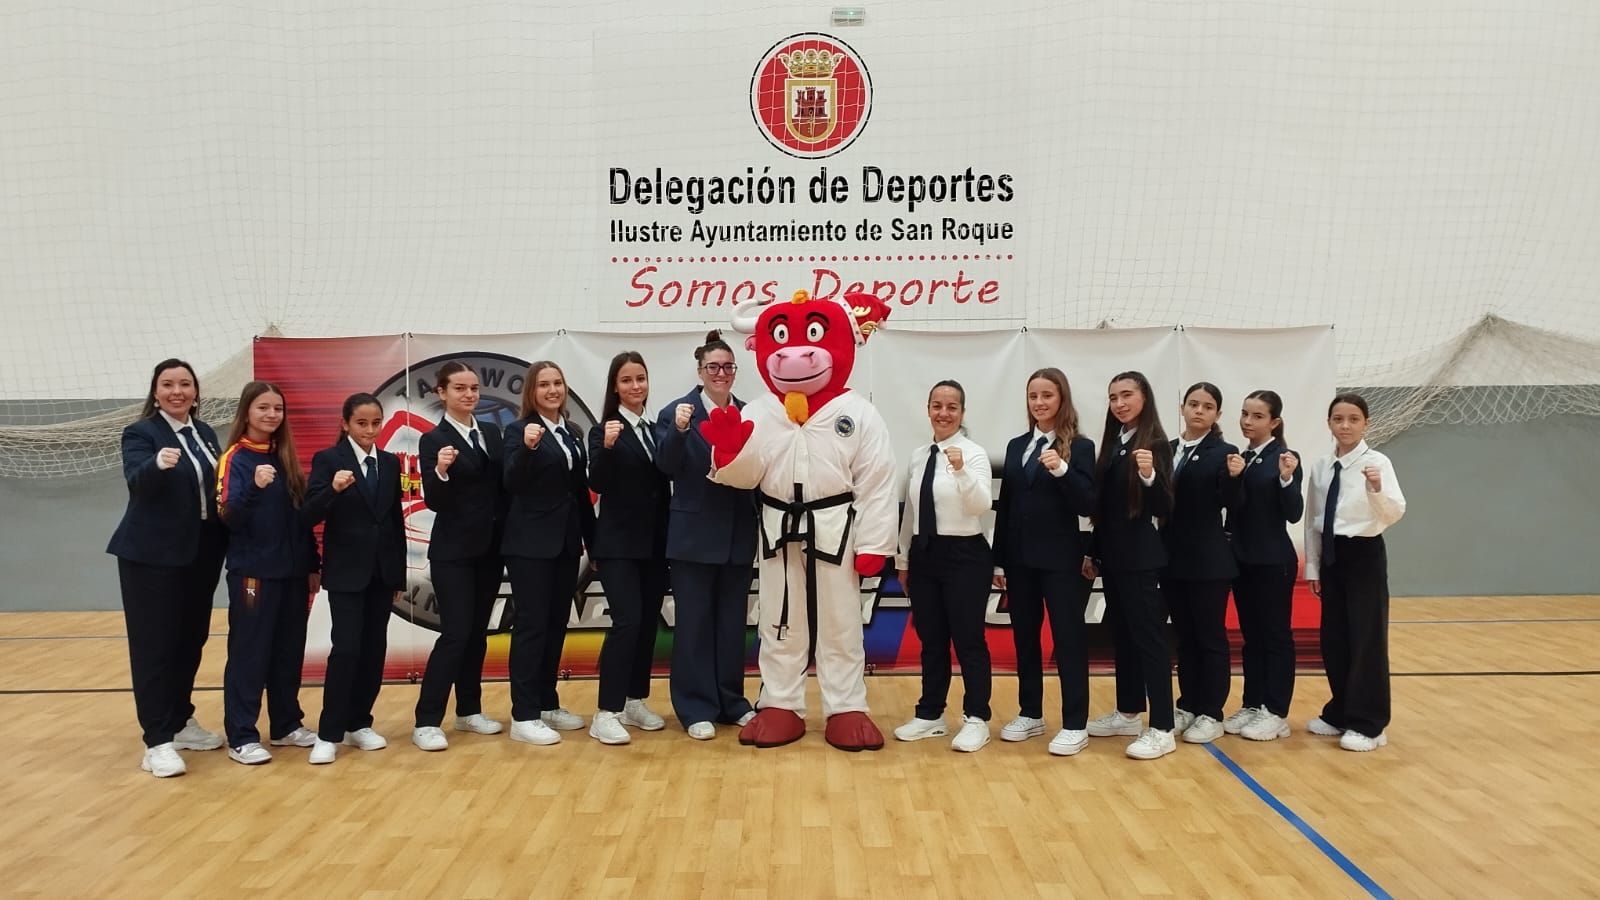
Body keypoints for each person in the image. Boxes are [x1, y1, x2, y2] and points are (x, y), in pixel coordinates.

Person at [107, 358, 230, 778]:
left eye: (185, 384)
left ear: (195, 392)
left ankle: (179, 720)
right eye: (168, 384)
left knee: (189, 640)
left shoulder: (204, 432)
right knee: (155, 647)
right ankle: (156, 741)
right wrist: (156, 464)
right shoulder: (141, 433)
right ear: (156, 393)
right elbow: (136, 481)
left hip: (200, 554)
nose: (177, 391)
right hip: (151, 556)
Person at [656, 331, 758, 740]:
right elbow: (665, 466)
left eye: (728, 366)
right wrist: (679, 431)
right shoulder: (676, 412)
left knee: (732, 625)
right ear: (699, 371)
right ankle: (695, 707)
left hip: (737, 536)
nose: (721, 373)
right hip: (693, 539)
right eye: (713, 367)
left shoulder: (750, 413)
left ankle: (731, 702)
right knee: (694, 625)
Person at [990, 368, 1096, 757]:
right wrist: (999, 562)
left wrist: (1062, 470)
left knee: (1068, 640)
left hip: (1061, 561)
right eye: (1033, 395)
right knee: (1025, 638)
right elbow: (1006, 506)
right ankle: (1030, 712)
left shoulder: (1080, 447)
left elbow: (1087, 503)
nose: (1039, 402)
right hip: (1020, 562)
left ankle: (1075, 723)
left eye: (1047, 395)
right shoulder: (1017, 445)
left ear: (1061, 398)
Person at [216, 381, 320, 765]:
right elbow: (228, 517)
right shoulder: (235, 458)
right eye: (263, 407)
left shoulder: (285, 457)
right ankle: (242, 735)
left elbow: (301, 520)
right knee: (250, 653)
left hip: (292, 575)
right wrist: (254, 488)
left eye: (277, 408)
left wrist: (311, 564)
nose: (271, 414)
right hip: (253, 576)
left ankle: (286, 725)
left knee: (288, 652)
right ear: (247, 411)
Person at [892, 380, 997, 752]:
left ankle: (977, 717)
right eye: (937, 405)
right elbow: (912, 512)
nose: (944, 413)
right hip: (925, 554)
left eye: (952, 407)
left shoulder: (974, 453)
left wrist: (961, 471)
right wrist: (903, 559)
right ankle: (931, 714)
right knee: (931, 639)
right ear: (928, 410)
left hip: (966, 554)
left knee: (969, 640)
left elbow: (981, 505)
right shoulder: (919, 455)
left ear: (962, 412)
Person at [301, 393, 405, 764]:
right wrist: (333, 489)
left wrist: (397, 576)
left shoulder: (389, 462)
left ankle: (359, 722)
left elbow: (394, 521)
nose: (370, 430)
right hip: (347, 573)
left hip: (382, 573)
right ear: (345, 423)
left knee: (374, 649)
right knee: (346, 650)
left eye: (376, 423)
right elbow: (308, 514)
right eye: (362, 423)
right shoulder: (329, 460)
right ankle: (329, 732)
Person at [412, 362, 508, 752]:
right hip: (453, 552)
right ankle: (426, 720)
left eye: (474, 388)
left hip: (491, 549)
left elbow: (502, 488)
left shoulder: (491, 433)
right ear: (442, 392)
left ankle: (469, 710)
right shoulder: (433, 440)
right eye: (459, 388)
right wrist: (440, 470)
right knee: (455, 633)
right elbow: (434, 500)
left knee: (477, 634)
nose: (469, 395)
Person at [500, 361, 595, 746]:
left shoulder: (571, 432)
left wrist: (593, 542)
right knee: (532, 626)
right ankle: (523, 715)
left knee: (556, 624)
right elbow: (511, 481)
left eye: (558, 382)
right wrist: (527, 448)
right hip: (529, 545)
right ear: (532, 391)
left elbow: (579, 492)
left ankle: (546, 702)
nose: (552, 390)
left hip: (565, 544)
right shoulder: (518, 431)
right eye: (544, 384)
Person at [1304, 393, 1406, 752]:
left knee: (1366, 638)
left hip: (1363, 553)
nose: (1345, 426)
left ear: (1366, 424)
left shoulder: (1378, 463)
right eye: (1338, 419)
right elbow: (1313, 519)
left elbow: (1394, 513)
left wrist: (1376, 489)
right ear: (1329, 423)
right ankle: (1341, 711)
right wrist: (1314, 566)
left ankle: (1369, 723)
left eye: (1353, 419)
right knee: (1334, 638)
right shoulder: (1321, 466)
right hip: (1332, 555)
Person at [1083, 371, 1177, 760]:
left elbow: (1165, 507)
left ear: (1144, 398)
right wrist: (1093, 552)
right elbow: (1104, 509)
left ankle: (1163, 727)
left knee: (1149, 641)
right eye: (1113, 397)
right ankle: (1127, 712)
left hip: (1140, 559)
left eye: (1126, 395)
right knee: (1122, 637)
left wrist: (1149, 475)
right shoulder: (1114, 443)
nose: (1119, 404)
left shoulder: (1155, 444)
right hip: (1113, 557)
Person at [586, 351, 671, 745]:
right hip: (618, 545)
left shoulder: (654, 430)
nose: (636, 386)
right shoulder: (603, 430)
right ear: (615, 387)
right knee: (627, 622)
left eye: (641, 378)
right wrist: (606, 446)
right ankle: (606, 711)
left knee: (648, 622)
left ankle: (634, 700)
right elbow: (598, 483)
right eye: (627, 380)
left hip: (655, 545)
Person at [1163, 383, 1242, 744]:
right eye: (1193, 404)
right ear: (1182, 407)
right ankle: (1188, 704)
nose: (1199, 411)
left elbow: (1232, 502)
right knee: (1185, 636)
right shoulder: (1165, 450)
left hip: (1208, 562)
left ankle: (1211, 711)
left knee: (1210, 636)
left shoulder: (1225, 453)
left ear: (1217, 414)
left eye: (1207, 406)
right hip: (1171, 559)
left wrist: (1235, 478)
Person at [1223, 390, 1303, 742]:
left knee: (1275, 636)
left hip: (1273, 562)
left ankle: (1276, 711)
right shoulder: (1241, 458)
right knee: (1251, 637)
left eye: (1257, 416)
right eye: (1244, 414)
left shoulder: (1284, 458)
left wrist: (1286, 478)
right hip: (1243, 562)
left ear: (1274, 422)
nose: (1247, 421)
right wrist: (1234, 478)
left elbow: (1294, 512)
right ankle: (1253, 703)